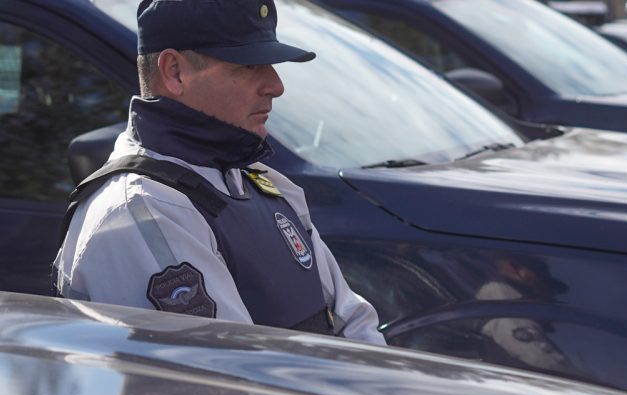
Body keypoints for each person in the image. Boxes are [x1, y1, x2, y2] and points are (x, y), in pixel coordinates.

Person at [54, 0, 384, 345]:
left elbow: (355, 324)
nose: (275, 85)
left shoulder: (261, 183)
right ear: (174, 72)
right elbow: (225, 368)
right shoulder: (142, 210)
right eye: (248, 65)